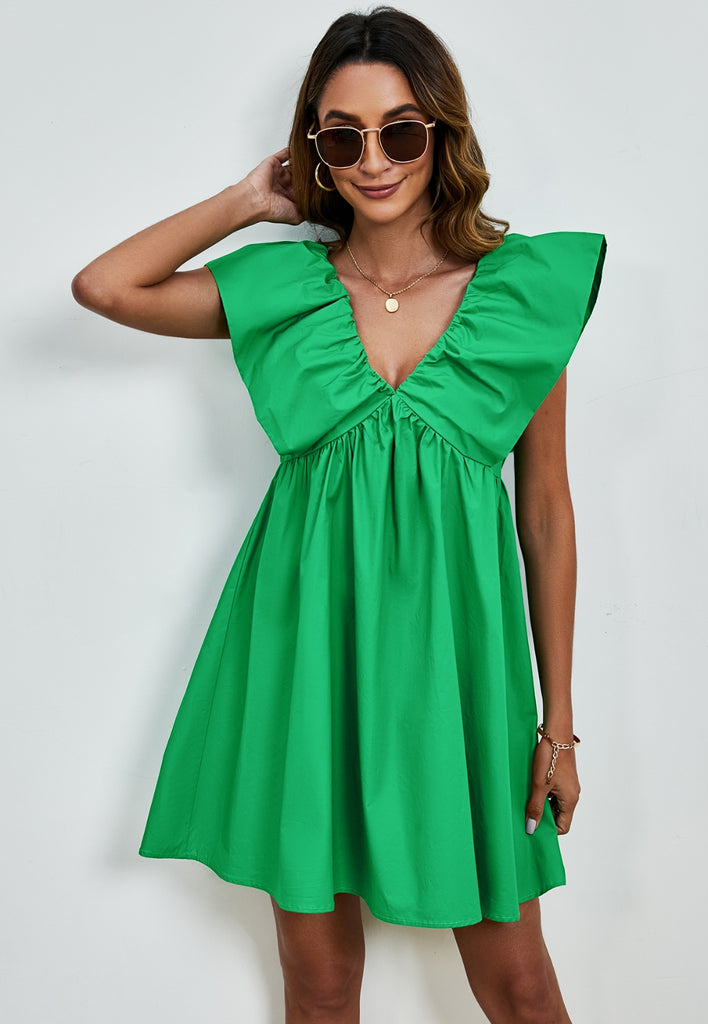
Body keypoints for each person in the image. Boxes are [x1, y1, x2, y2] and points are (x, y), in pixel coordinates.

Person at [72, 6, 606, 1022]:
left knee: (520, 984)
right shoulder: (285, 288)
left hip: (461, 671)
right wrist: (247, 199)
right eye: (341, 136)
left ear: (442, 133)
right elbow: (104, 287)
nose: (373, 161)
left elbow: (545, 512)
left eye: (400, 132)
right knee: (318, 987)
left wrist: (560, 725)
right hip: (307, 659)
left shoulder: (521, 293)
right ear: (312, 148)